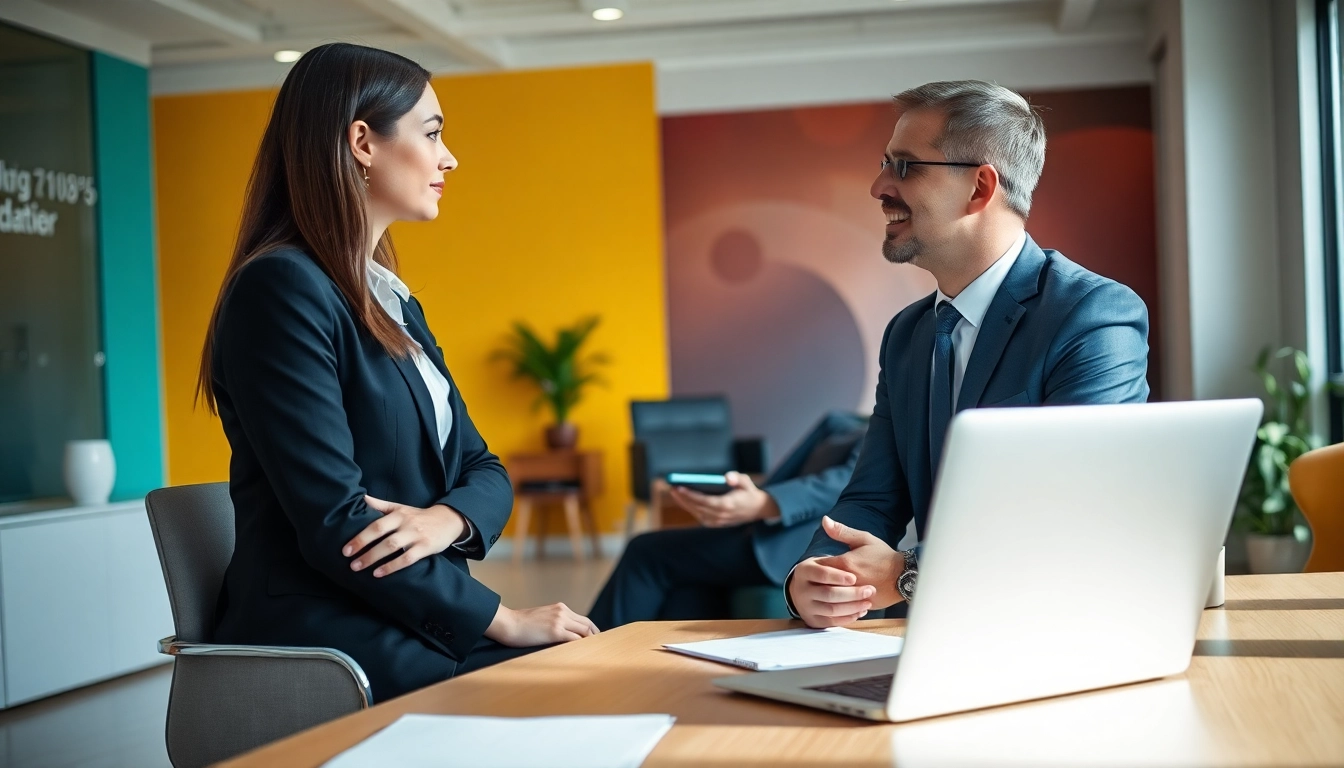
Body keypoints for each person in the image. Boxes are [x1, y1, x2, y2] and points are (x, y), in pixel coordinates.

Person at [197, 43, 597, 703]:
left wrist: (446, 521)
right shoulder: (280, 289)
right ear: (362, 142)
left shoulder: (390, 299)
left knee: (596, 666)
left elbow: (485, 469)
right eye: (432, 133)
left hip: (401, 613)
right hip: (330, 632)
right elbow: (337, 521)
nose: (449, 157)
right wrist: (500, 619)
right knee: (577, 683)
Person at [786, 80, 1150, 628]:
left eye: (904, 166)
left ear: (980, 187)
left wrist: (909, 573)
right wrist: (815, 577)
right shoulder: (906, 335)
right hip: (939, 636)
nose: (879, 186)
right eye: (885, 163)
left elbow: (1078, 513)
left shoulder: (1093, 316)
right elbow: (871, 498)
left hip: (1061, 630)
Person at [588, 412, 868, 629]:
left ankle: (589, 650)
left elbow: (851, 480)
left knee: (645, 551)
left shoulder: (879, 434)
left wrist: (764, 504)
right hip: (763, 529)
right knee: (687, 591)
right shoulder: (839, 421)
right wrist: (751, 503)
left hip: (793, 546)